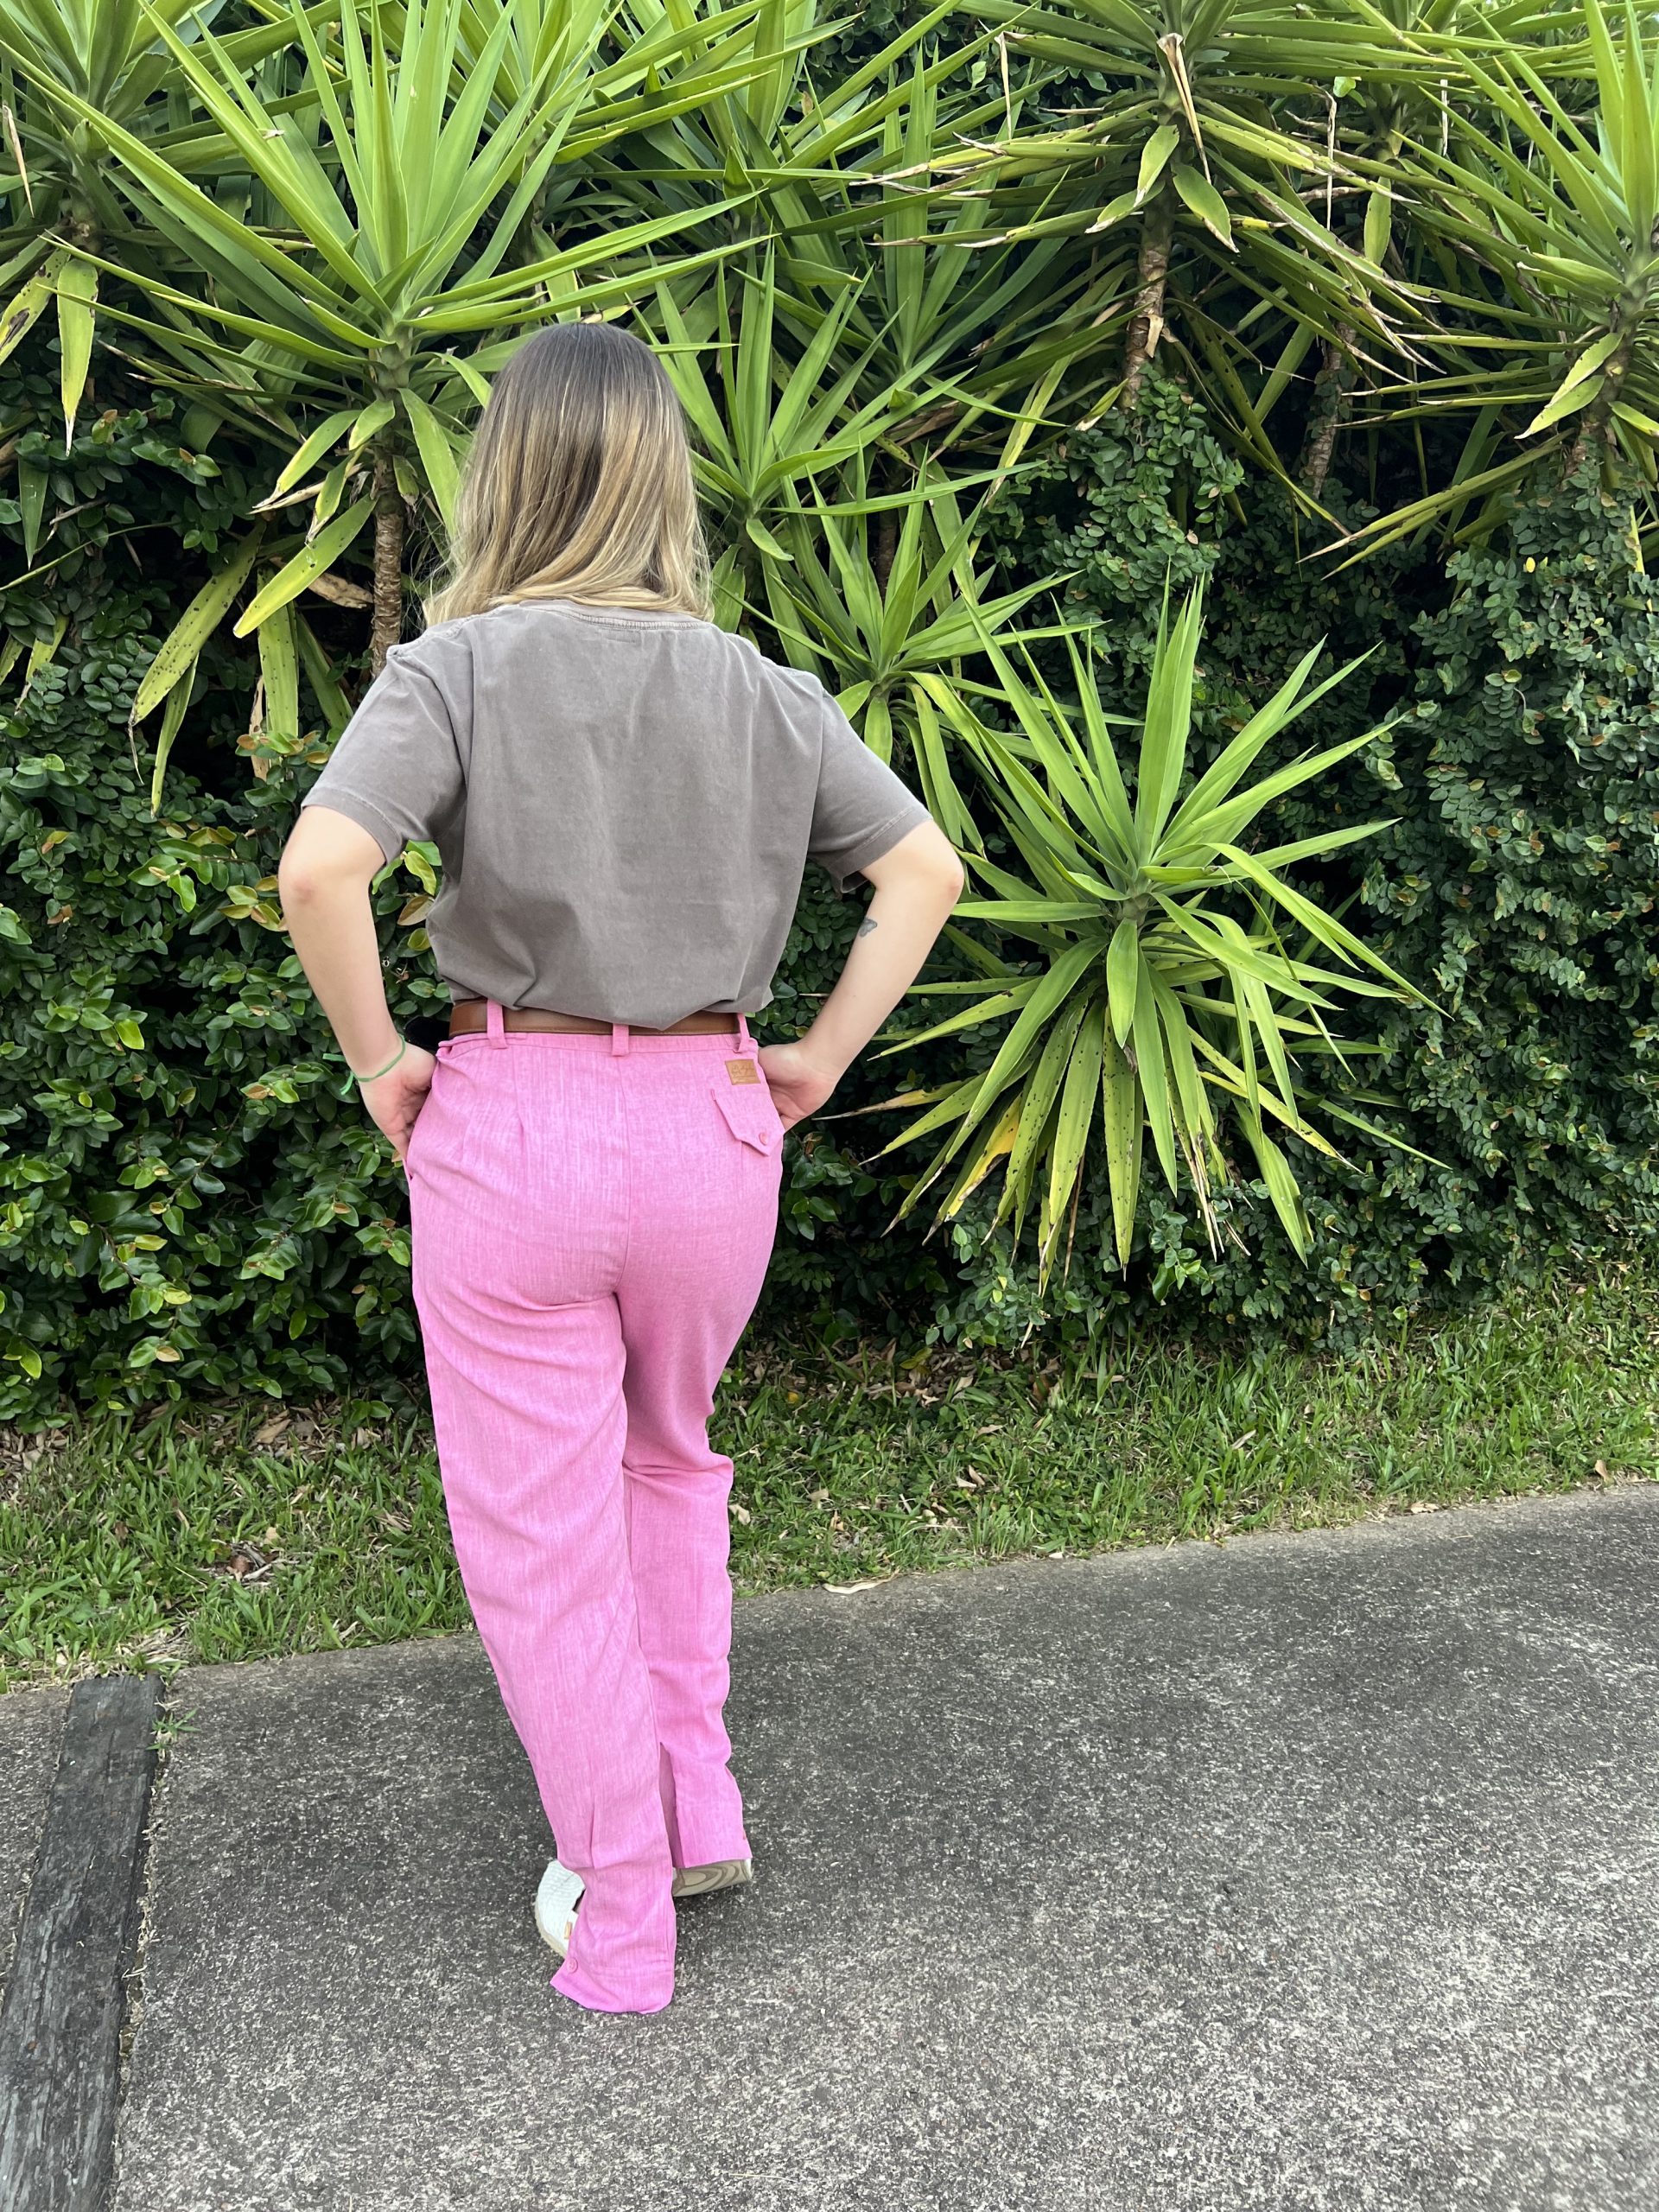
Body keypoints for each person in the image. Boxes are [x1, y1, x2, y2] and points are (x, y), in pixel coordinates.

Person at [276, 321, 963, 2016]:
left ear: (503, 477)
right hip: (713, 1130)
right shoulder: (765, 691)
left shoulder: (456, 669)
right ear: (669, 485)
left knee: (541, 1537)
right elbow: (925, 872)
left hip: (516, 1126)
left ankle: (627, 1912)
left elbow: (321, 870)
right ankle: (695, 1806)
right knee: (671, 1461)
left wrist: (379, 1064)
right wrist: (817, 1057)